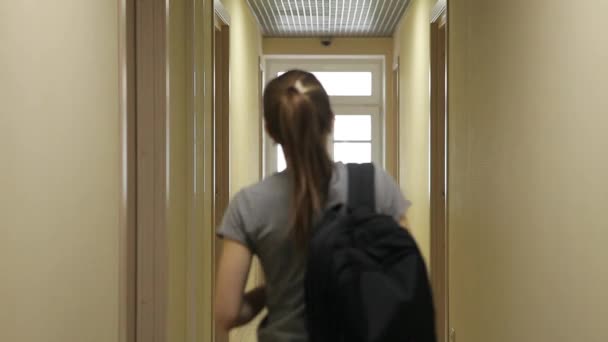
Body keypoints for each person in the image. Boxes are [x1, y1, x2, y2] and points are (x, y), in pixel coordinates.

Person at [214, 70, 411, 342]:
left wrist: (270, 291)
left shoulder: (248, 205)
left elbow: (227, 313)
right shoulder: (376, 184)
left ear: (270, 130)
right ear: (330, 121)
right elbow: (405, 276)